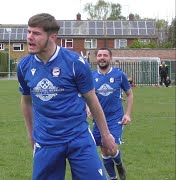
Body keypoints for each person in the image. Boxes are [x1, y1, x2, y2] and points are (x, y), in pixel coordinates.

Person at [17, 13, 117, 180]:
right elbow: (26, 102)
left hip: (78, 138)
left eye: (36, 33)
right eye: (28, 32)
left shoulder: (75, 63)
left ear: (52, 37)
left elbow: (92, 100)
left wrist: (106, 135)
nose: (29, 38)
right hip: (46, 141)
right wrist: (30, 133)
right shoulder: (24, 66)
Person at [87, 47, 134, 180]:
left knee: (111, 146)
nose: (102, 57)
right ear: (96, 59)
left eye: (105, 55)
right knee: (104, 150)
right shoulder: (91, 76)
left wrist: (128, 114)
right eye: (100, 55)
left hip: (115, 118)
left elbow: (129, 95)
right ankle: (113, 177)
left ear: (110, 58)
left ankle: (119, 164)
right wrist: (87, 107)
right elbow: (87, 95)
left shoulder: (119, 75)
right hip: (99, 119)